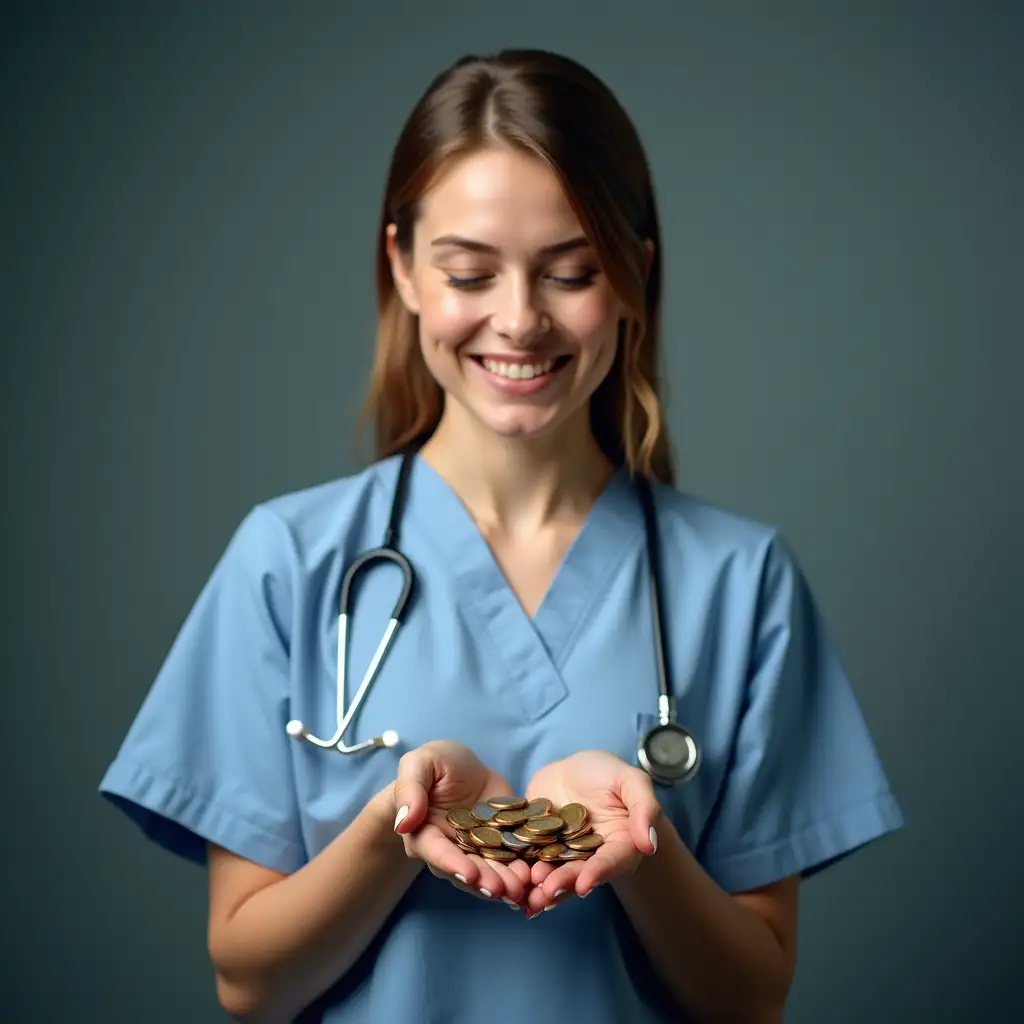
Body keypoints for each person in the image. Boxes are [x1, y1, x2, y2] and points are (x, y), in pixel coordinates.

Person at [99, 49, 904, 1024]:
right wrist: (396, 831)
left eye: (569, 272)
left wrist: (638, 846)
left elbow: (751, 998)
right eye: (470, 272)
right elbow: (248, 981)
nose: (518, 321)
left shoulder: (740, 583)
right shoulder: (289, 561)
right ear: (402, 268)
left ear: (631, 277)